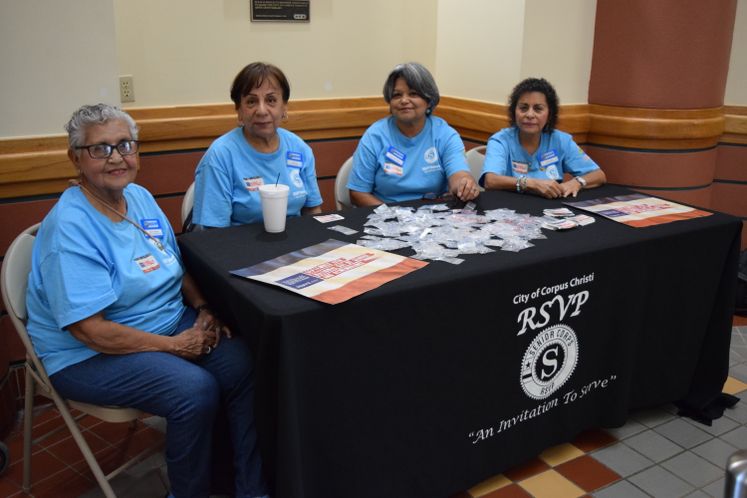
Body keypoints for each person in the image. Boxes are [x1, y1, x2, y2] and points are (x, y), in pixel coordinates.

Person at [25, 104, 268, 498]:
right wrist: (175, 346)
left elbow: (173, 262)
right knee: (194, 390)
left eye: (125, 145)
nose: (117, 157)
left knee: (242, 362)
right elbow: (90, 330)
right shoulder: (70, 228)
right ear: (76, 158)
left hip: (164, 323)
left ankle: (249, 488)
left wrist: (204, 308)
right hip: (86, 354)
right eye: (100, 149)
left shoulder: (138, 196)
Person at [192, 62, 322, 228]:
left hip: (296, 246)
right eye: (251, 102)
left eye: (271, 100)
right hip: (240, 248)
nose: (261, 110)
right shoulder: (220, 155)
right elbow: (214, 234)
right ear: (239, 110)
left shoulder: (299, 148)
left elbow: (313, 210)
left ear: (284, 107)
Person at [347, 62, 479, 206]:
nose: (404, 100)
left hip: (433, 217)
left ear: (429, 101)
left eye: (413, 94)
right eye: (397, 95)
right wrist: (392, 216)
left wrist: (464, 184)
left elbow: (458, 175)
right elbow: (357, 192)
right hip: (386, 218)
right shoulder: (374, 136)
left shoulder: (445, 134)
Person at [481, 77, 606, 198]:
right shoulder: (500, 140)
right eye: (523, 108)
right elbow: (491, 181)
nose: (530, 115)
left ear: (550, 114)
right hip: (508, 209)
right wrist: (531, 184)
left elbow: (599, 175)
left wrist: (577, 182)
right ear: (514, 111)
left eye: (538, 109)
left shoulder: (561, 141)